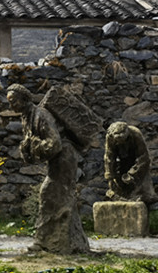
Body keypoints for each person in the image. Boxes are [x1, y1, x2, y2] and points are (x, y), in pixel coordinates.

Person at [8, 84, 94, 254]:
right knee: (61, 197)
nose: (12, 106)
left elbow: (54, 143)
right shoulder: (27, 117)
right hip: (57, 159)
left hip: (65, 157)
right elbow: (32, 145)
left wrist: (34, 144)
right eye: (10, 102)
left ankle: (50, 241)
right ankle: (69, 242)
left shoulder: (41, 115)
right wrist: (27, 147)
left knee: (50, 193)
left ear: (24, 99)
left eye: (14, 101)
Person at [103, 121, 158, 209]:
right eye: (118, 140)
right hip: (122, 159)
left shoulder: (136, 133)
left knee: (142, 186)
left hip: (136, 158)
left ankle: (143, 195)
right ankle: (122, 195)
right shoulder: (110, 137)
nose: (121, 142)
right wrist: (110, 176)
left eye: (123, 139)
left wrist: (132, 173)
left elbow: (144, 157)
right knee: (119, 182)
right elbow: (109, 157)